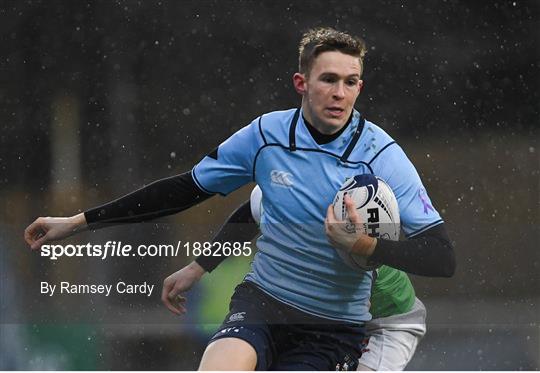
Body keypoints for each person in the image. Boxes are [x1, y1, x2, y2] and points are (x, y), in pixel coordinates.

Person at [25, 27, 455, 370]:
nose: (339, 94)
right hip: (263, 301)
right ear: (301, 83)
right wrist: (78, 222)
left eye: (350, 82)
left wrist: (361, 245)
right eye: (328, 80)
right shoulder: (266, 137)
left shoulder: (383, 158)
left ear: (360, 87)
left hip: (334, 327)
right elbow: (188, 191)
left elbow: (442, 257)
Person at [181, 186, 427, 371]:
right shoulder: (284, 201)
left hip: (387, 328)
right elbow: (250, 212)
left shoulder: (355, 261)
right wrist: (200, 266)